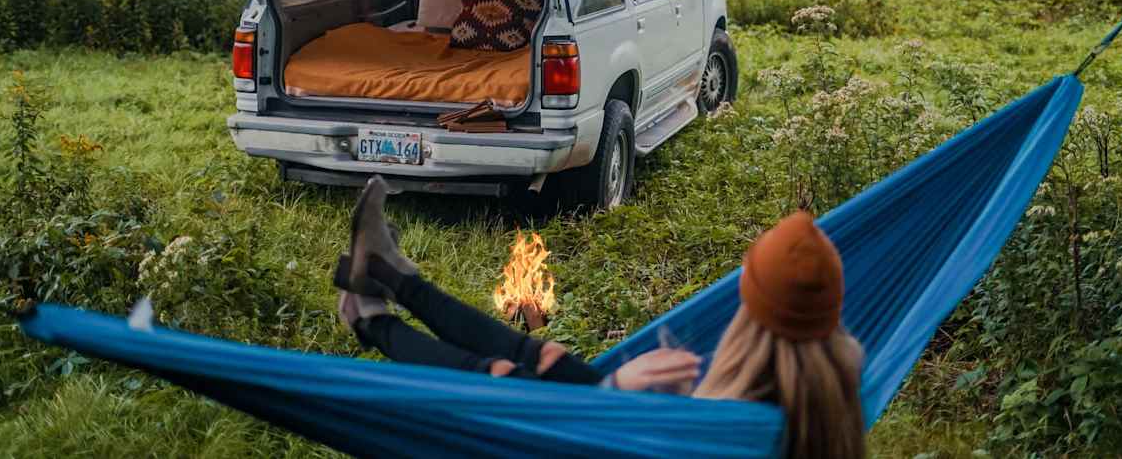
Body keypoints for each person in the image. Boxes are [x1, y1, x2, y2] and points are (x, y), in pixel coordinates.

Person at [334, 177, 865, 459]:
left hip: (588, 442)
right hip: (646, 431)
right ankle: (391, 275)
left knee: (504, 380)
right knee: (546, 356)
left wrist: (614, 396)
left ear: (750, 318)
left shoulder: (729, 432)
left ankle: (369, 316)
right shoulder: (830, 406)